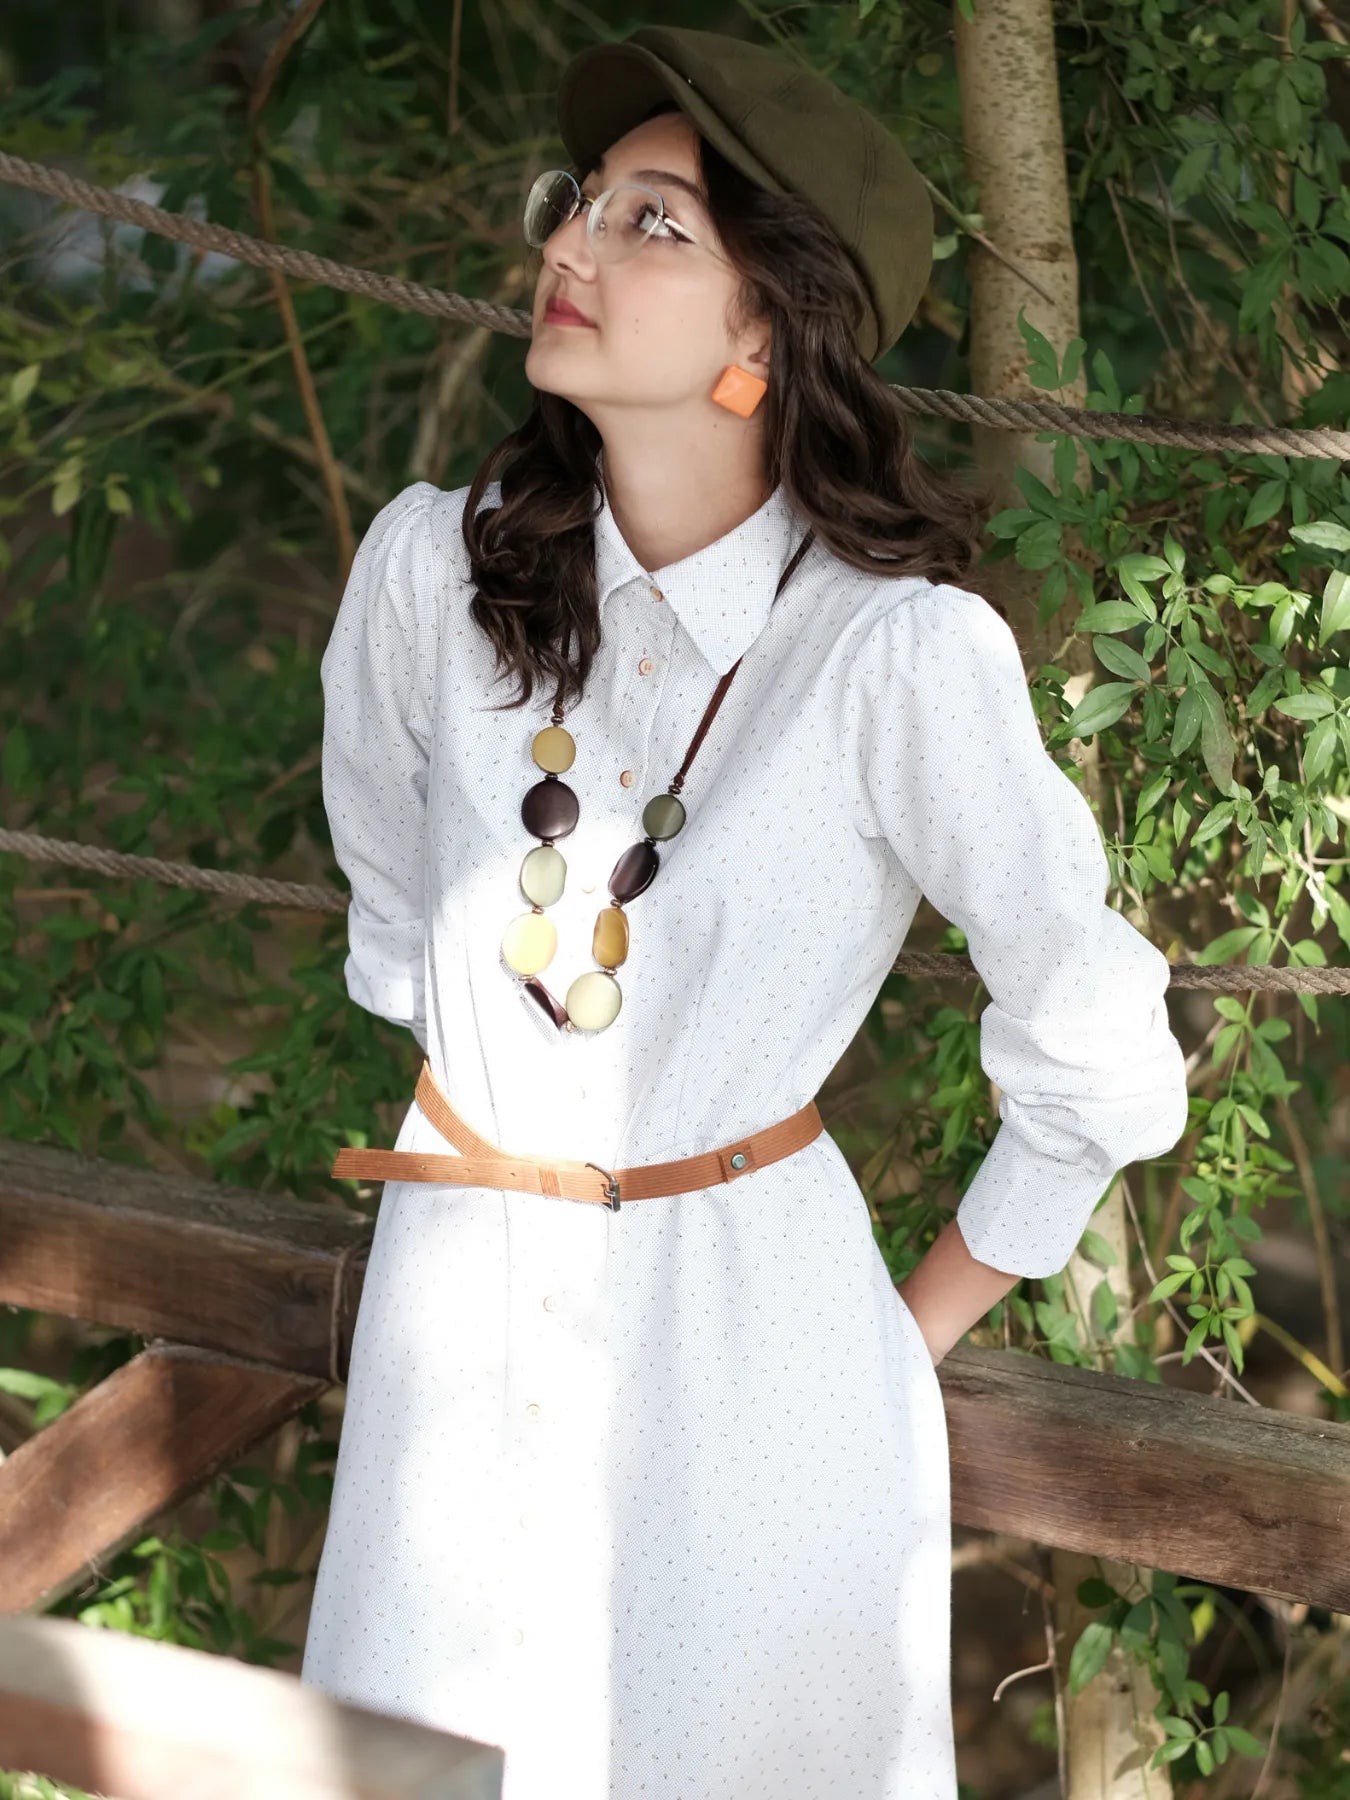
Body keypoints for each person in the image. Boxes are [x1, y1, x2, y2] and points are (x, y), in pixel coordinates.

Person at [299, 23, 1190, 1800]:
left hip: (757, 1369)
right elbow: (396, 927)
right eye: (582, 202)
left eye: (651, 223)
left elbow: (1098, 1048)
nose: (570, 245)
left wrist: (889, 1345)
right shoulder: (428, 579)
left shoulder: (894, 659)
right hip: (451, 1330)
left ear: (768, 329)